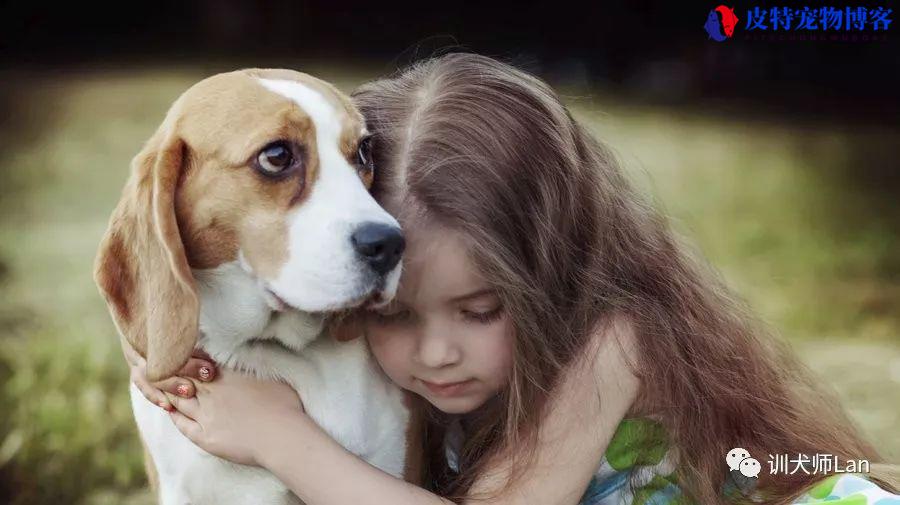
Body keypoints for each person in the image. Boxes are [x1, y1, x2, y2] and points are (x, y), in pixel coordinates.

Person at [124, 53, 900, 504]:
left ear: (554, 274)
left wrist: (280, 436)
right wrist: (161, 350)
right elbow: (187, 300)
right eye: (393, 315)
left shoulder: (612, 346)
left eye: (483, 308)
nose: (436, 352)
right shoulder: (344, 307)